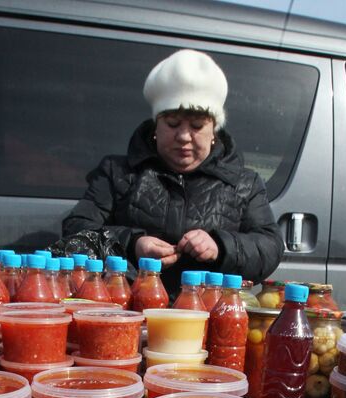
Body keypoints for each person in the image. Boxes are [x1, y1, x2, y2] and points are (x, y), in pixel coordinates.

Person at [62, 49, 284, 296]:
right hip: (127, 310)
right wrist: (132, 244)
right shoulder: (118, 173)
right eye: (173, 124)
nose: (184, 137)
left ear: (214, 132)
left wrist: (221, 246)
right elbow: (76, 230)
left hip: (209, 316)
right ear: (156, 126)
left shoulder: (244, 183)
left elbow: (270, 247)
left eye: (197, 126)